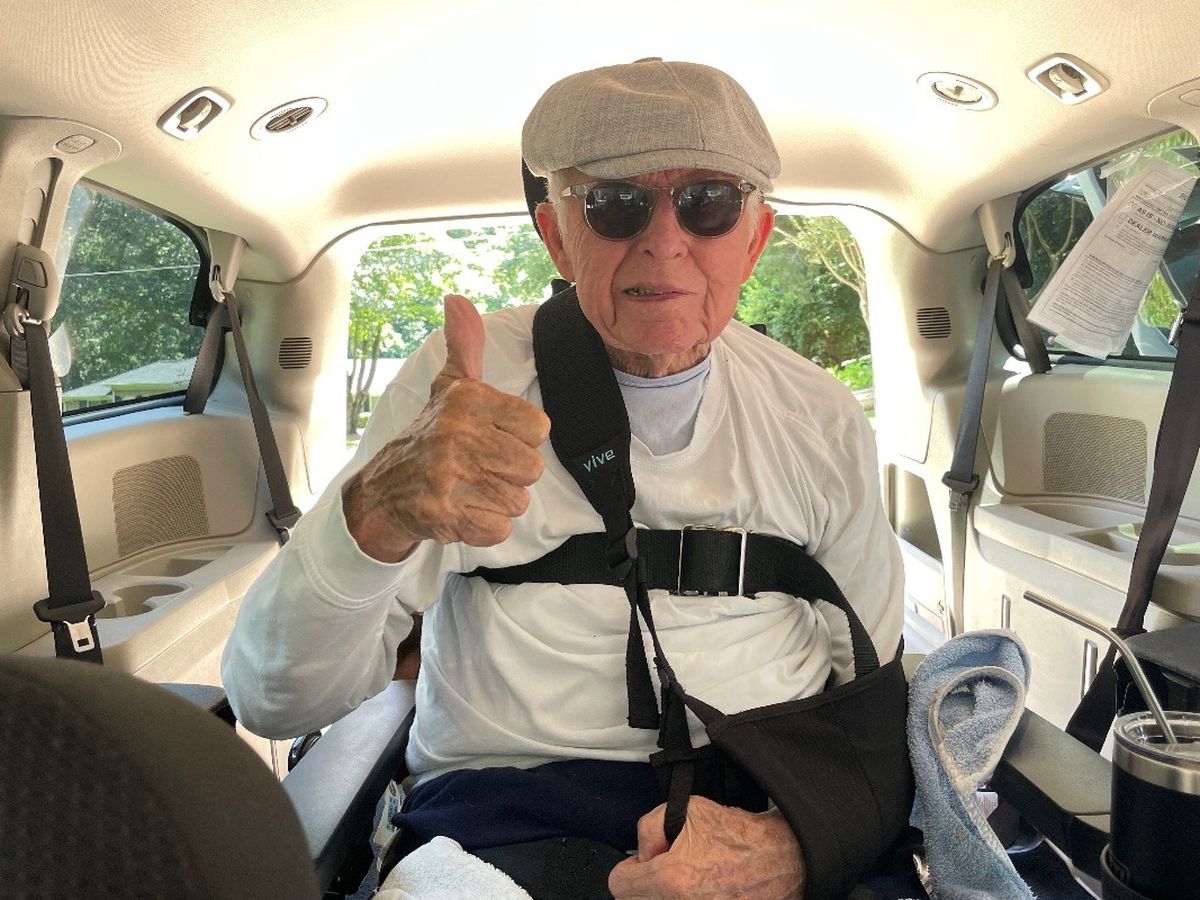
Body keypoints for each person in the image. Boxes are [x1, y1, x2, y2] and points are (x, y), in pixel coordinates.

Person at [222, 58, 904, 899]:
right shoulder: (461, 390)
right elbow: (274, 700)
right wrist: (377, 514)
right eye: (615, 204)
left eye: (709, 203)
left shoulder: (819, 415)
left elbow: (871, 691)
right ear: (556, 234)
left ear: (755, 238)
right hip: (508, 819)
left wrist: (796, 844)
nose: (664, 241)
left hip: (763, 798)